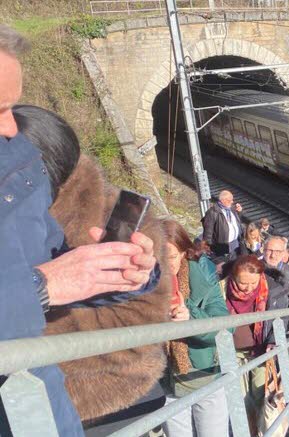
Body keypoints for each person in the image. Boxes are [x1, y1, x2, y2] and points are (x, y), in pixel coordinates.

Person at [1, 40, 159, 435]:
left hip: (44, 406)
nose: (11, 128)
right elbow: (44, 281)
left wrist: (118, 274)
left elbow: (51, 263)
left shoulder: (20, 178)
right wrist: (43, 287)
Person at [162, 220, 230, 437]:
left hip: (202, 376)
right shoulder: (145, 279)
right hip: (166, 381)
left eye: (170, 257)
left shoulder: (203, 275)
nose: (164, 263)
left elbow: (225, 329)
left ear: (183, 252)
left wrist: (190, 316)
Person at [224, 255, 272, 431]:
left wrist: (273, 340)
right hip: (232, 351)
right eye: (243, 283)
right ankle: (248, 431)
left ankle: (262, 430)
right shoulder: (222, 287)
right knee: (240, 398)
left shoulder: (267, 287)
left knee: (260, 394)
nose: (249, 288)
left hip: (260, 350)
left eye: (254, 283)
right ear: (234, 277)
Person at [261, 236, 289, 369]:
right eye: (269, 250)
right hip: (258, 334)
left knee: (282, 374)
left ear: (284, 253)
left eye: (278, 251)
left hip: (283, 333)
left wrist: (280, 336)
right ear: (263, 250)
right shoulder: (254, 270)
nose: (273, 255)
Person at [202, 190, 244, 259]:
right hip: (222, 247)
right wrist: (208, 247)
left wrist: (239, 212)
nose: (232, 202)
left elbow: (236, 222)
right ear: (223, 200)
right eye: (230, 200)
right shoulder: (212, 212)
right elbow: (208, 233)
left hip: (235, 245)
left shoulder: (231, 209)